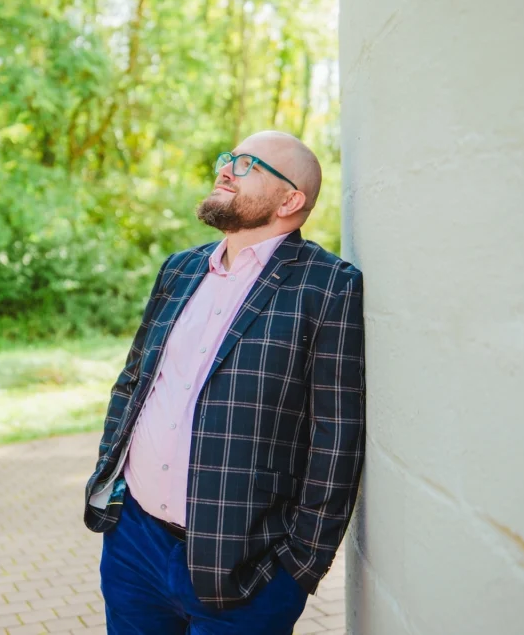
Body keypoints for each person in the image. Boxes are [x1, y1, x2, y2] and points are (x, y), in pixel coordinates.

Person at [84, 130, 365, 634]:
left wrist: (300, 566)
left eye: (246, 164)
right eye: (226, 158)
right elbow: (134, 381)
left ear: (290, 199)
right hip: (135, 545)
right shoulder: (181, 269)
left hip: (245, 569)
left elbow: (337, 438)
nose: (225, 169)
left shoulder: (329, 287)